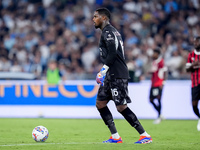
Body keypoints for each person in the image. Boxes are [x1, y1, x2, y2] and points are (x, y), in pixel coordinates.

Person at [93, 7, 152, 144]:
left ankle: (145, 135)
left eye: (96, 16)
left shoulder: (108, 32)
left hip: (117, 74)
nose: (93, 19)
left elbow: (113, 54)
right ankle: (115, 137)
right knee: (100, 103)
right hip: (110, 75)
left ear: (104, 18)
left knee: (121, 107)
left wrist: (102, 70)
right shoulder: (110, 32)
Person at [148, 48, 167, 124]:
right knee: (151, 100)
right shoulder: (154, 62)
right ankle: (160, 114)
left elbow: (165, 72)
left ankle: (159, 116)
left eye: (154, 53)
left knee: (158, 99)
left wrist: (163, 82)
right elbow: (155, 71)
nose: (153, 55)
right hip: (153, 83)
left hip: (158, 84)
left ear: (157, 54)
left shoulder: (161, 61)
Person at [186, 36, 200, 131]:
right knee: (194, 105)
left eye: (197, 41)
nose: (195, 43)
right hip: (194, 83)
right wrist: (193, 65)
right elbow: (187, 69)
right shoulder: (191, 55)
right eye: (194, 41)